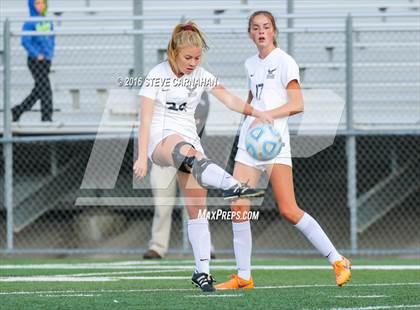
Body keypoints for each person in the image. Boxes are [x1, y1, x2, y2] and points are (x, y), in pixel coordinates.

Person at [215, 11, 352, 290]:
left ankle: (338, 260)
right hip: (249, 143)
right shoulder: (250, 63)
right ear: (250, 33)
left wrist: (266, 114)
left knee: (288, 210)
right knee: (238, 207)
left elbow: (297, 104)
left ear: (274, 31)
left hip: (274, 143)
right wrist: (250, 114)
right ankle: (244, 276)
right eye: (255, 28)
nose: (261, 32)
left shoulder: (285, 62)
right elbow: (255, 99)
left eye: (266, 27)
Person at [133, 21, 272, 292]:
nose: (193, 62)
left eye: (197, 57)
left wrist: (257, 113)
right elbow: (145, 118)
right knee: (183, 151)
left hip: (190, 143)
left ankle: (202, 272)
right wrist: (141, 156)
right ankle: (232, 185)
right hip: (161, 142)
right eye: (188, 57)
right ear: (173, 52)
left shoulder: (201, 74)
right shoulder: (157, 74)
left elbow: (230, 100)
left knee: (197, 209)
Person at [143, 93, 216, 260]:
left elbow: (199, 118)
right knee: (162, 203)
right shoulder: (161, 87)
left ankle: (205, 246)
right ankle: (157, 246)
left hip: (188, 153)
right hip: (164, 152)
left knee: (196, 203)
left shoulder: (199, 91)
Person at [12, 0, 55, 122]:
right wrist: (36, 54)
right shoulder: (29, 23)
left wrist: (49, 54)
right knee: (46, 89)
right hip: (35, 62)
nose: (40, 6)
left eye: (42, 3)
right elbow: (25, 41)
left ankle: (18, 110)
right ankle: (47, 118)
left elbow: (52, 38)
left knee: (39, 89)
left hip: (46, 61)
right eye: (37, 3)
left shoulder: (48, 21)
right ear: (32, 5)